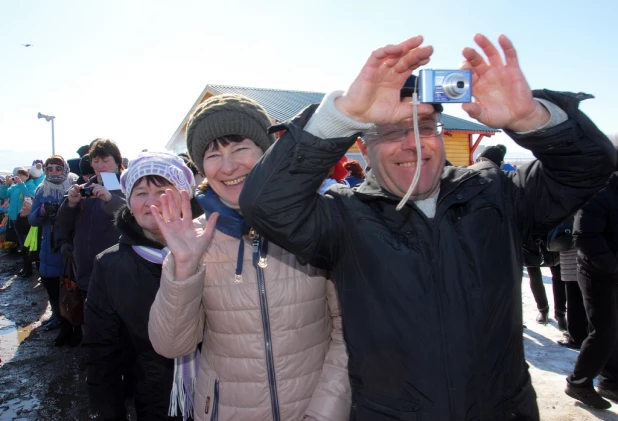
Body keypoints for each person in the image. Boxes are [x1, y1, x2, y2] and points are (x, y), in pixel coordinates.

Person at [238, 34, 616, 420]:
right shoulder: (344, 219)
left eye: (424, 126)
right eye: (389, 131)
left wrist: (530, 117)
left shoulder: (498, 196)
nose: (412, 144)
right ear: (364, 149)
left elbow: (590, 165)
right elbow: (265, 204)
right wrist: (343, 114)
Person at [148, 94, 351, 421]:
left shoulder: (313, 224)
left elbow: (347, 334)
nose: (228, 167)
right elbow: (172, 346)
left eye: (240, 148)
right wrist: (184, 267)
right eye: (213, 154)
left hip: (315, 407)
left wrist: (325, 414)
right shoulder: (193, 239)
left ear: (268, 153)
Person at [84, 152, 201, 421]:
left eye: (163, 190)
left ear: (185, 196)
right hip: (155, 404)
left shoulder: (215, 249)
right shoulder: (110, 265)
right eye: (140, 193)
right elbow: (102, 353)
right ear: (129, 202)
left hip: (226, 398)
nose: (152, 202)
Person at [56, 138, 126, 345]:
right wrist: (70, 203)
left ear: (116, 161)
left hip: (118, 270)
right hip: (86, 268)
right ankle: (97, 358)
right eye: (95, 161)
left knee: (120, 324)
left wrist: (110, 199)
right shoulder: (85, 188)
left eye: (105, 160)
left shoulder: (128, 185)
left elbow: (135, 218)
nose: (99, 165)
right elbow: (63, 222)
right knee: (94, 324)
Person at [565, 173, 618, 409]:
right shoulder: (599, 196)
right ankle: (579, 382)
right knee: (603, 331)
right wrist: (613, 266)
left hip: (613, 273)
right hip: (598, 275)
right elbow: (584, 236)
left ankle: (610, 381)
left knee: (615, 329)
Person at [28, 156, 77, 335]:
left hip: (69, 244)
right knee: (51, 285)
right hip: (49, 246)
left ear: (64, 168)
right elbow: (32, 220)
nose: (54, 172)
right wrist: (42, 211)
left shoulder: (74, 185)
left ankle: (71, 320)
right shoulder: (42, 190)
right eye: (49, 169)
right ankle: (57, 315)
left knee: (71, 286)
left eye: (58, 168)